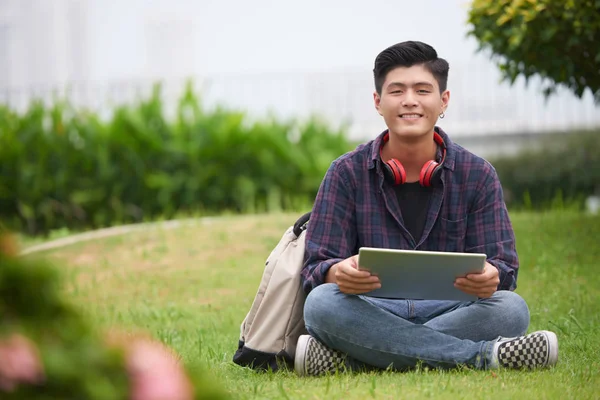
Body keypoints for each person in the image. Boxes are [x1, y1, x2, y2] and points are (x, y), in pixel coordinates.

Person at [294, 40, 558, 376]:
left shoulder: (477, 174)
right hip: (371, 307)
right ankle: (485, 356)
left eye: (422, 90)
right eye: (397, 91)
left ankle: (354, 359)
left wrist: (492, 275)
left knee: (511, 309)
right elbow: (316, 268)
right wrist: (335, 272)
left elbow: (503, 269)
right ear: (378, 102)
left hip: (451, 307)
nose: (409, 101)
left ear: (443, 100)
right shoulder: (346, 173)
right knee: (321, 305)